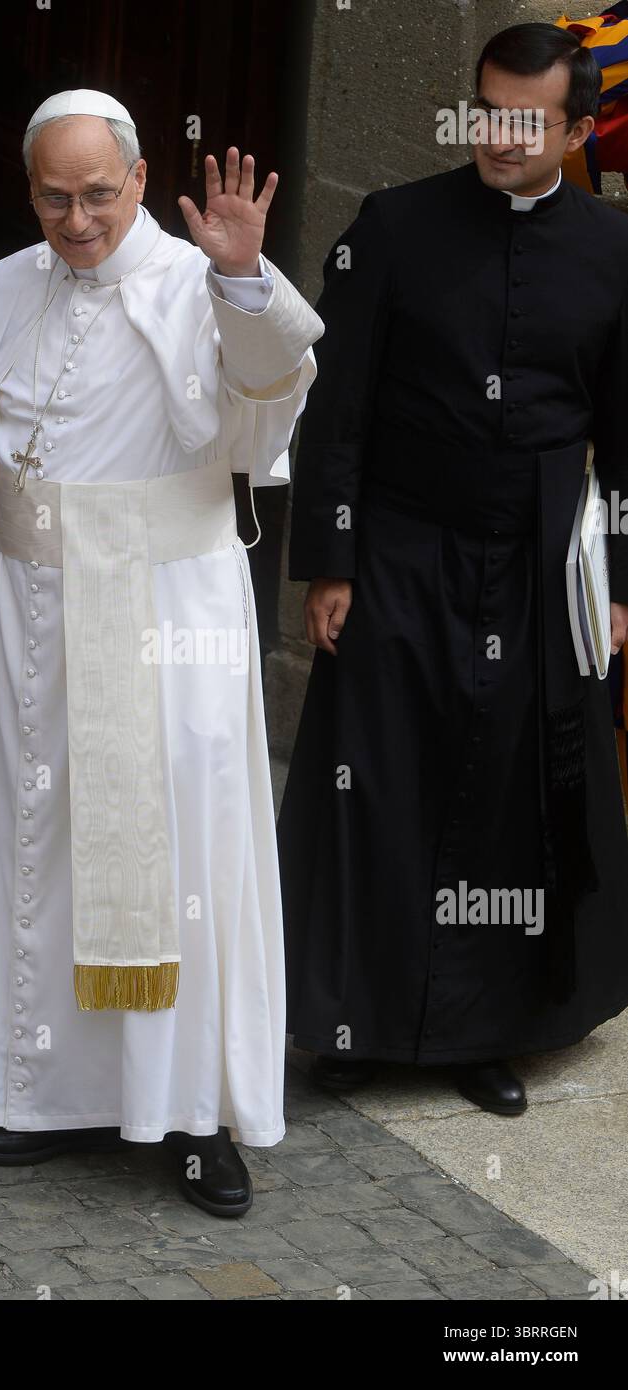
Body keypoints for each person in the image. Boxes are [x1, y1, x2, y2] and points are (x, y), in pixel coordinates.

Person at [0, 88, 323, 1216]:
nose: (78, 218)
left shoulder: (204, 283)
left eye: (99, 193)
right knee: (31, 845)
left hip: (168, 615)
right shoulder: (1, 286)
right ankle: (27, 1090)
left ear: (141, 180)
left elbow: (259, 421)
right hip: (29, 609)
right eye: (54, 196)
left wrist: (245, 279)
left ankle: (194, 1119)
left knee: (181, 858)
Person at [278, 23, 628, 1116]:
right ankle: (350, 1018)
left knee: (510, 796)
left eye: (528, 120)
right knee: (375, 779)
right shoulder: (394, 226)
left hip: (539, 555)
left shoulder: (614, 253)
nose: (500, 137)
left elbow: (623, 437)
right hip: (399, 542)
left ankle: (488, 1030)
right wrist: (328, 560)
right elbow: (333, 406)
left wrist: (616, 585)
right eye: (488, 111)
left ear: (576, 130)